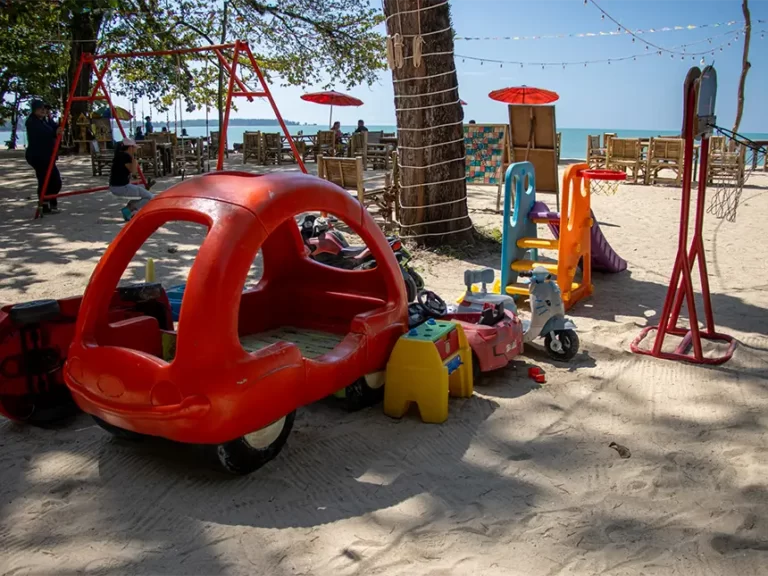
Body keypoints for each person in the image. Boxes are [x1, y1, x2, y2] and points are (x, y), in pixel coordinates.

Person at [25, 99, 62, 214]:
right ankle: (45, 205)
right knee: (45, 180)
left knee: (55, 181)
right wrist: (55, 132)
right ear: (35, 109)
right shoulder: (31, 122)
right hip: (38, 156)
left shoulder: (45, 120)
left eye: (44, 108)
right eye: (41, 108)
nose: (43, 110)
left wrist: (58, 127)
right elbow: (44, 133)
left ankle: (51, 202)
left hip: (48, 156)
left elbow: (54, 126)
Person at [109, 138, 155, 221]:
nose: (136, 150)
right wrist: (135, 159)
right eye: (135, 148)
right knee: (150, 197)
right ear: (130, 148)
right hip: (121, 187)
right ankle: (131, 210)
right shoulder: (126, 156)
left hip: (116, 186)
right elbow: (133, 171)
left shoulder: (120, 155)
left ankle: (128, 210)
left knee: (144, 192)